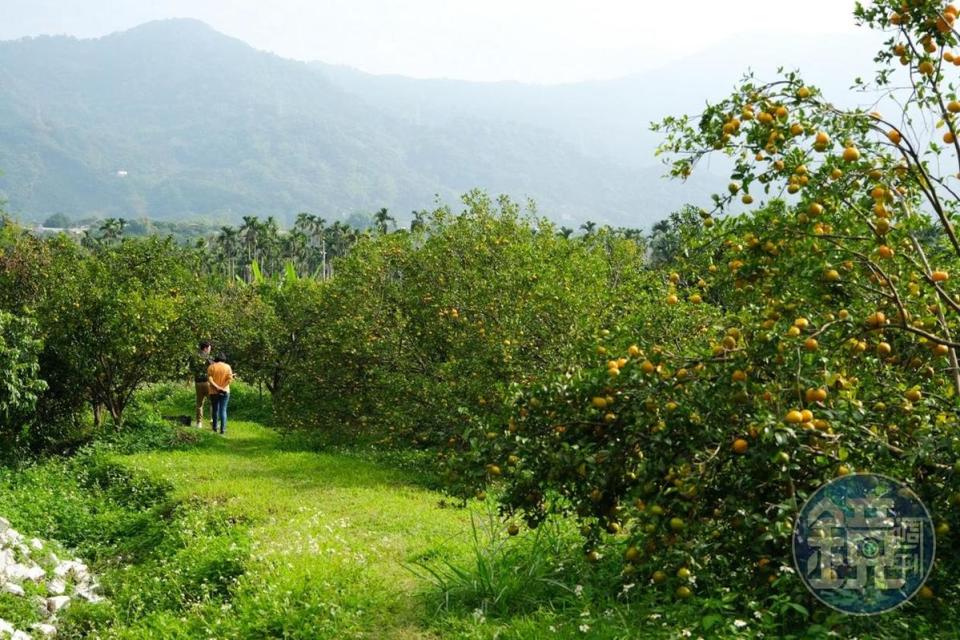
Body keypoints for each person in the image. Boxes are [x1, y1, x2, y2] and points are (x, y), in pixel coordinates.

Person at [207, 353, 234, 435]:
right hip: (225, 391)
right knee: (223, 410)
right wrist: (222, 387)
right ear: (224, 359)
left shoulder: (211, 366)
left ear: (216, 359)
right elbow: (230, 379)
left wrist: (217, 387)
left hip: (213, 391)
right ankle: (223, 430)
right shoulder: (228, 367)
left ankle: (214, 428)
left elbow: (210, 379)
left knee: (215, 410)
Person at [192, 341, 213, 429]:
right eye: (209, 348)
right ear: (205, 348)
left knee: (199, 403)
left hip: (198, 382)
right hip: (207, 382)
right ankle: (213, 420)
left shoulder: (194, 357)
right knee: (212, 402)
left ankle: (199, 423)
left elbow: (191, 368)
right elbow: (213, 367)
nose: (209, 350)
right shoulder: (207, 357)